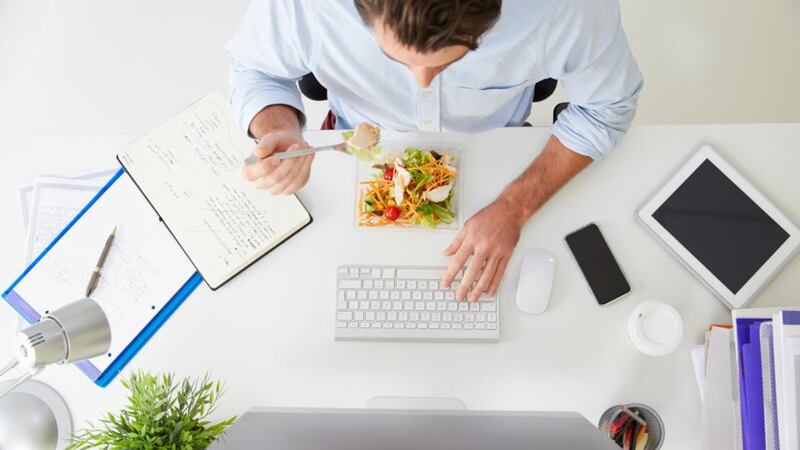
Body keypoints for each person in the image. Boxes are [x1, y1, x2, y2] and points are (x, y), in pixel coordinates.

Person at [226, 0, 643, 302]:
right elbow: (255, 70)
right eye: (396, 60)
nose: (422, 84)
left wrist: (516, 206)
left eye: (448, 64)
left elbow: (607, 108)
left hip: (498, 154)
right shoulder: (303, 7)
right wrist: (276, 124)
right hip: (351, 149)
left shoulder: (568, 10)